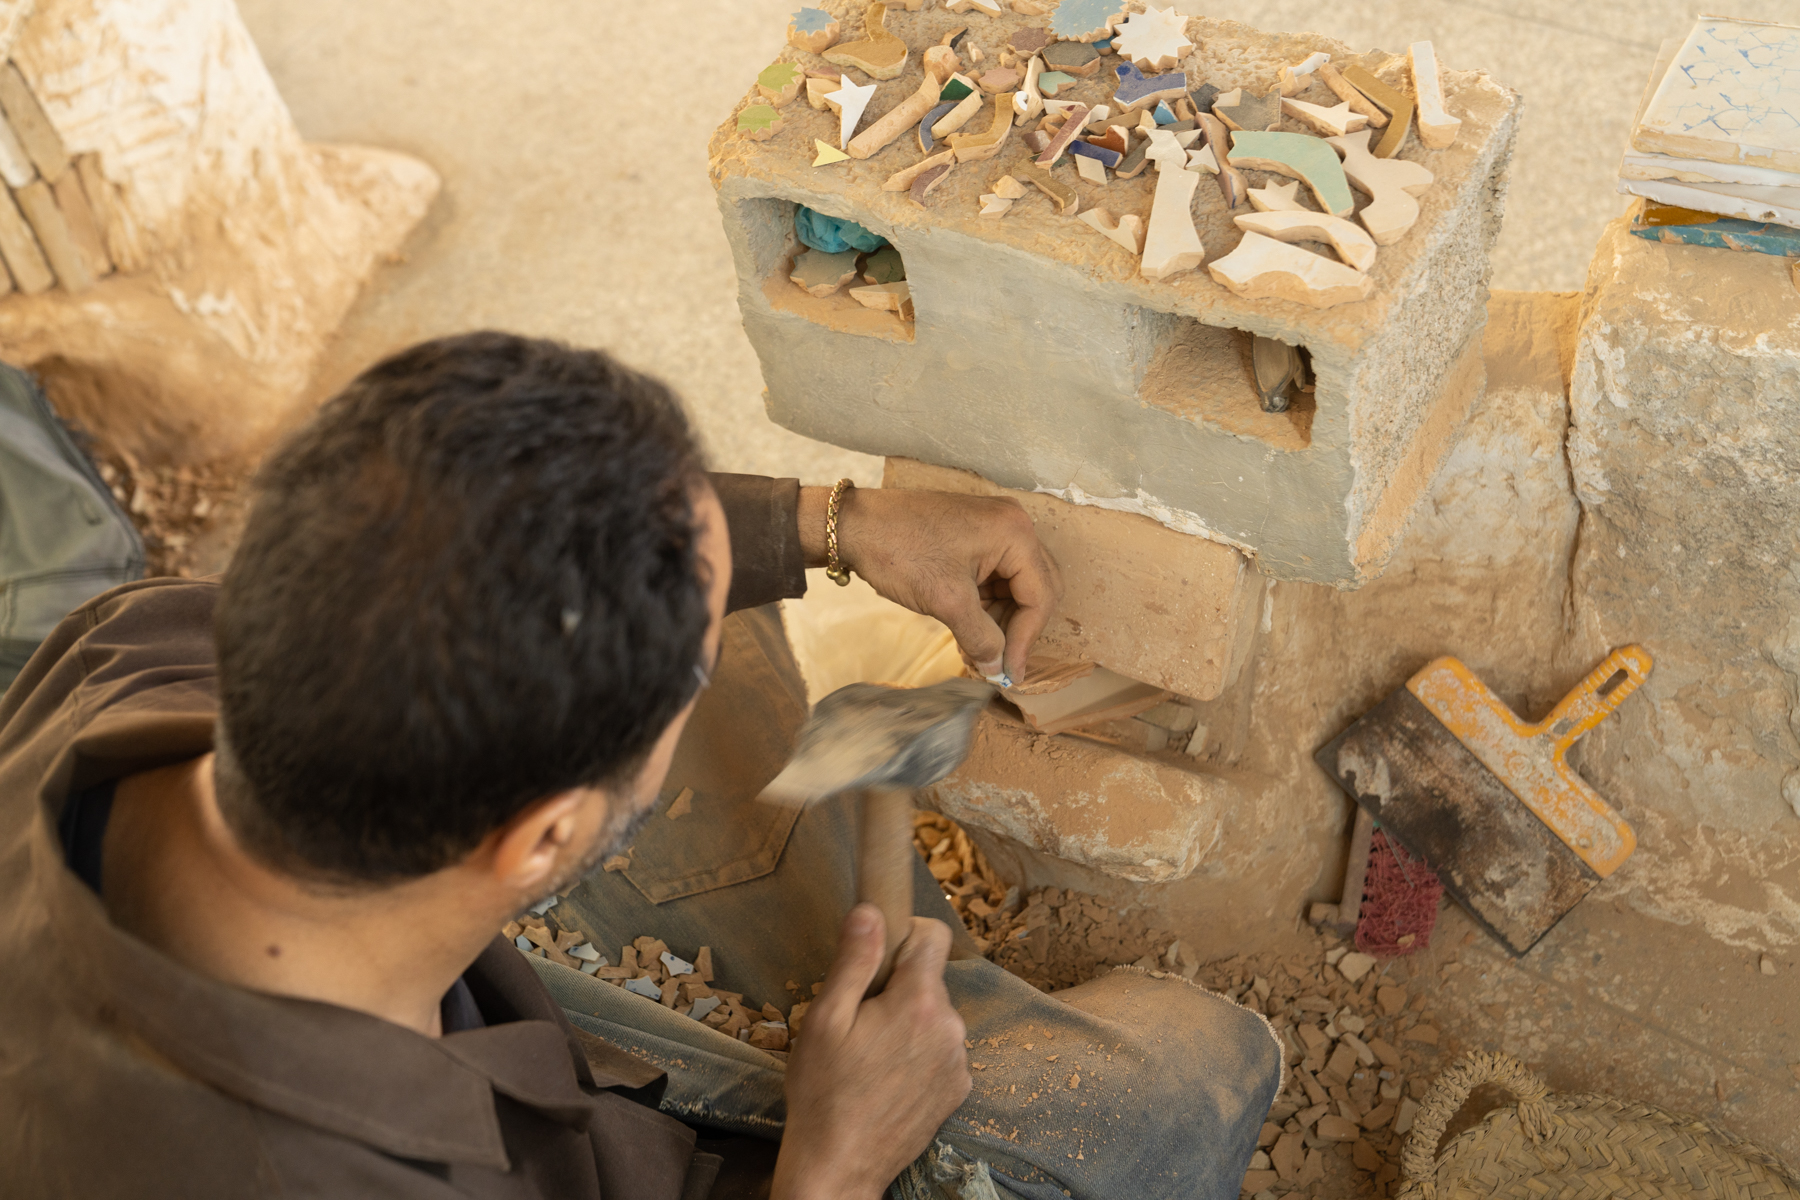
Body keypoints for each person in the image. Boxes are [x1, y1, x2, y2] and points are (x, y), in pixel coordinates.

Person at [0, 333, 1281, 1199]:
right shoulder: (309, 1170)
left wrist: (836, 528)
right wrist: (832, 1163)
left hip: (452, 986)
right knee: (1172, 1087)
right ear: (542, 845)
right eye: (663, 717)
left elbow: (517, 531)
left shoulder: (140, 645)